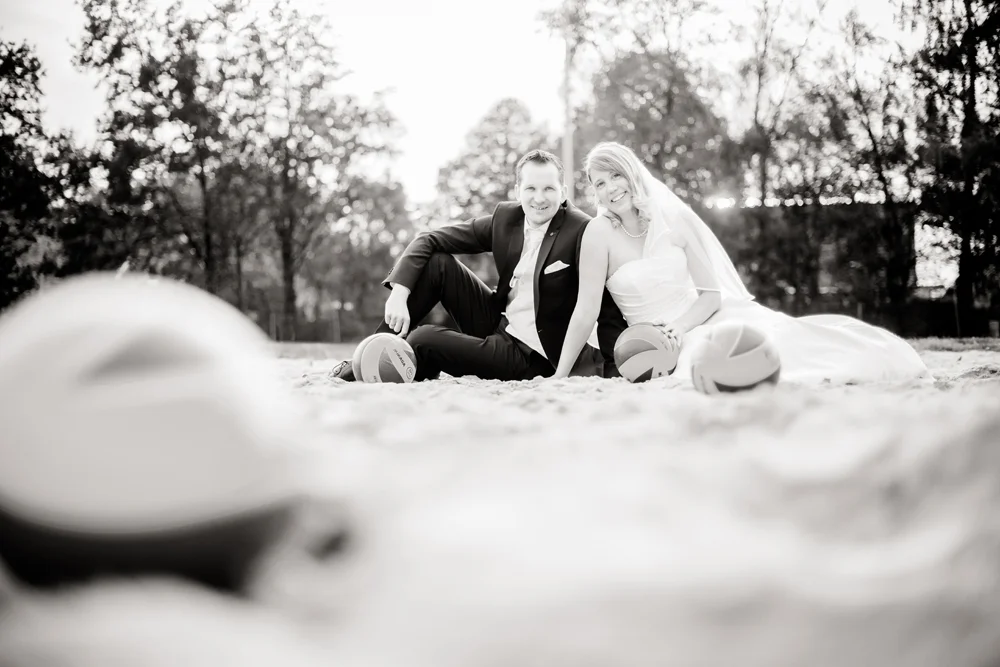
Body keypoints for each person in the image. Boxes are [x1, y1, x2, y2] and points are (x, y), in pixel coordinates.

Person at [551, 141, 930, 385]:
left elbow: (711, 295)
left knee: (783, 344)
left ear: (632, 174)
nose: (610, 188)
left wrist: (680, 327)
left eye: (615, 176)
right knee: (711, 367)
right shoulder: (598, 234)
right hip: (654, 344)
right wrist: (560, 375)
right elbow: (586, 310)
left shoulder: (675, 220)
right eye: (599, 183)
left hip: (702, 320)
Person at [329, 149, 627, 382]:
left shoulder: (583, 231)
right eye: (531, 189)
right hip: (499, 322)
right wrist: (399, 291)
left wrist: (616, 363)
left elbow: (602, 301)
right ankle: (368, 355)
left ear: (563, 192)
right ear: (518, 190)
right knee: (438, 264)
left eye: (549, 189)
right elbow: (429, 238)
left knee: (422, 339)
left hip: (534, 353)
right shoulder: (507, 220)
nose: (539, 199)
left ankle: (414, 363)